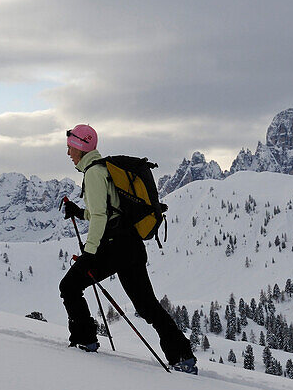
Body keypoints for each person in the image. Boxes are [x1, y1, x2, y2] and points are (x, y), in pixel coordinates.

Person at [58, 125, 197, 373]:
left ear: (80, 147)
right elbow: (108, 210)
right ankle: (182, 356)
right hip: (131, 245)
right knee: (146, 305)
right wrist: (79, 212)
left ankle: (85, 340)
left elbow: (101, 216)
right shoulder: (104, 169)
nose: (68, 152)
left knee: (69, 286)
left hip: (112, 247)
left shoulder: (92, 173)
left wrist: (90, 254)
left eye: (70, 147)